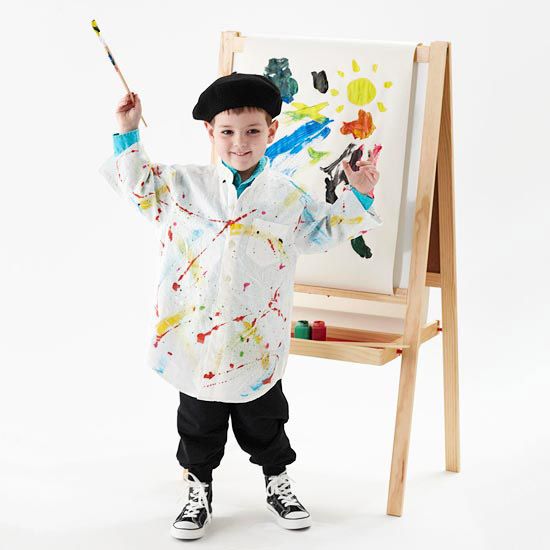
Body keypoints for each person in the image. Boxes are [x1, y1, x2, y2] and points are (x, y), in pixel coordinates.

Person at [99, 72, 383, 540]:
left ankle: (277, 481)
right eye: (227, 132)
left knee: (266, 421)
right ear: (209, 132)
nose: (240, 142)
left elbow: (322, 233)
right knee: (197, 426)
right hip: (195, 338)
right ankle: (198, 489)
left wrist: (362, 192)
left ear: (272, 130)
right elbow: (137, 187)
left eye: (253, 130)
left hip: (256, 340)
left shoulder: (286, 197)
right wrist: (127, 129)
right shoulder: (182, 186)